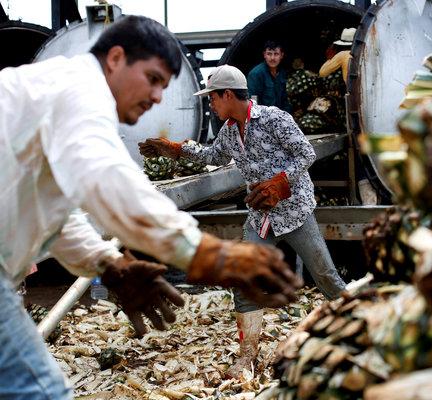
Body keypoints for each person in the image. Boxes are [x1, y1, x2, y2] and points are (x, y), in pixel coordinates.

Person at [0, 16, 301, 399]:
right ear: (116, 58)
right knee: (40, 391)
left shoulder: (57, 95)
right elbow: (106, 179)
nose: (158, 96)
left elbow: (55, 212)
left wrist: (105, 263)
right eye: (154, 79)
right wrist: (207, 254)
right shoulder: (79, 91)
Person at [139, 65, 347, 379]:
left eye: (212, 98)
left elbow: (305, 153)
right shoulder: (228, 131)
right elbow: (214, 156)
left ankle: (364, 330)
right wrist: (177, 150)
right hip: (261, 216)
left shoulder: (274, 119)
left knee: (326, 277)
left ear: (227, 94)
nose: (211, 104)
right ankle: (247, 357)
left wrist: (280, 182)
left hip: (295, 211)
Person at [319, 27, 378, 205]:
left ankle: (368, 199)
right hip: (374, 105)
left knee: (358, 150)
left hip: (356, 107)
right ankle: (376, 193)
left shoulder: (345, 55)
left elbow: (322, 72)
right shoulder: (371, 52)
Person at [247, 40, 292, 113]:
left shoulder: (283, 73)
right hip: (263, 118)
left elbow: (285, 100)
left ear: (282, 55)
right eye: (269, 54)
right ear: (264, 55)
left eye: (276, 54)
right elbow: (253, 103)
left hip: (281, 117)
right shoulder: (256, 74)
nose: (272, 58)